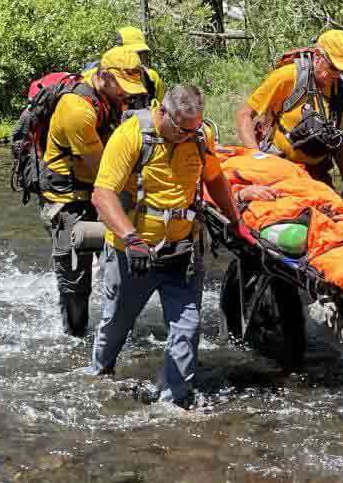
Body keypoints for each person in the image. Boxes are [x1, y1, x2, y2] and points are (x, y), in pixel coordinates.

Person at [90, 84, 239, 410]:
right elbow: (102, 195)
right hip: (132, 253)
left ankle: (173, 404)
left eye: (194, 129)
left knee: (188, 328)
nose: (188, 136)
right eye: (182, 129)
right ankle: (100, 376)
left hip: (182, 253)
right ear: (163, 113)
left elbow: (214, 179)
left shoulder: (200, 137)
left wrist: (235, 221)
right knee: (116, 324)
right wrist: (132, 239)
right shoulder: (130, 136)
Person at [39, 46, 147, 336]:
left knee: (124, 258)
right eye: (121, 87)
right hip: (68, 200)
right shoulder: (77, 110)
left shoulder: (110, 94)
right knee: (76, 280)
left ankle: (114, 328)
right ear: (102, 75)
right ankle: (74, 337)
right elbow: (104, 169)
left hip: (96, 188)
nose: (126, 94)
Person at [234, 29, 343, 204]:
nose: (336, 74)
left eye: (342, 70)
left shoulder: (341, 91)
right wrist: (256, 159)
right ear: (317, 56)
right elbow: (244, 115)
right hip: (279, 167)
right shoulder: (287, 77)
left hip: (317, 172)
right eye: (333, 67)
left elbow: (338, 138)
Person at [84, 26, 164, 109]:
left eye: (141, 53)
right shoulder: (92, 77)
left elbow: (159, 112)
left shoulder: (152, 78)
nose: (136, 58)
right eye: (131, 52)